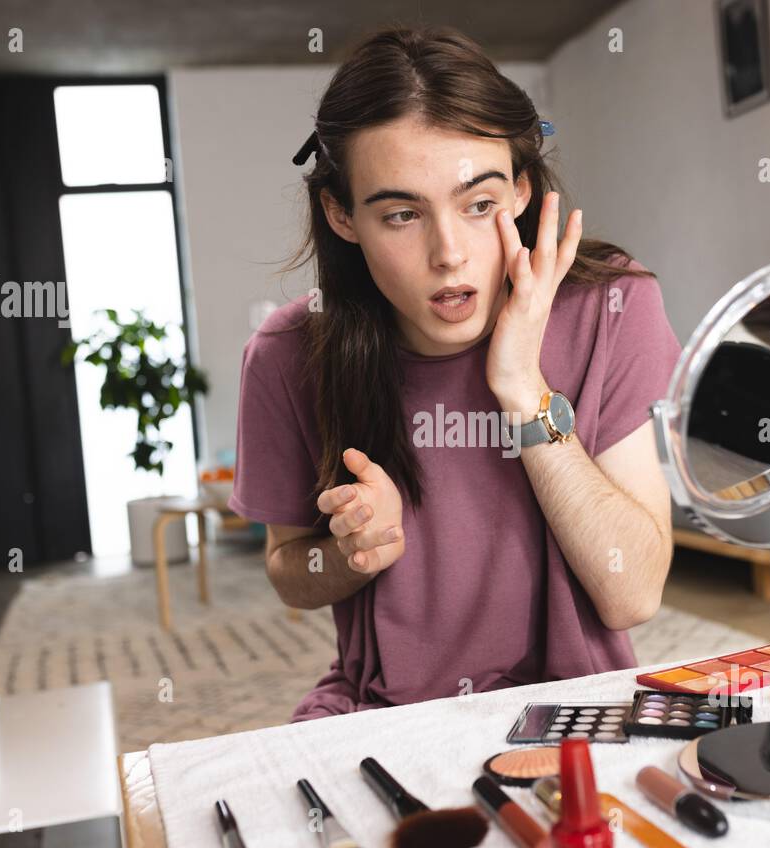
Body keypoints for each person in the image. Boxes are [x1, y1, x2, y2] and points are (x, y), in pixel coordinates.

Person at [229, 25, 683, 721]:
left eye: (479, 204)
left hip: (578, 713)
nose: (450, 253)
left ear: (524, 190)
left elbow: (634, 593)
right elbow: (291, 569)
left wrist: (523, 388)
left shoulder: (610, 305)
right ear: (342, 214)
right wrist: (351, 554)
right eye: (403, 214)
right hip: (381, 713)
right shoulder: (288, 353)